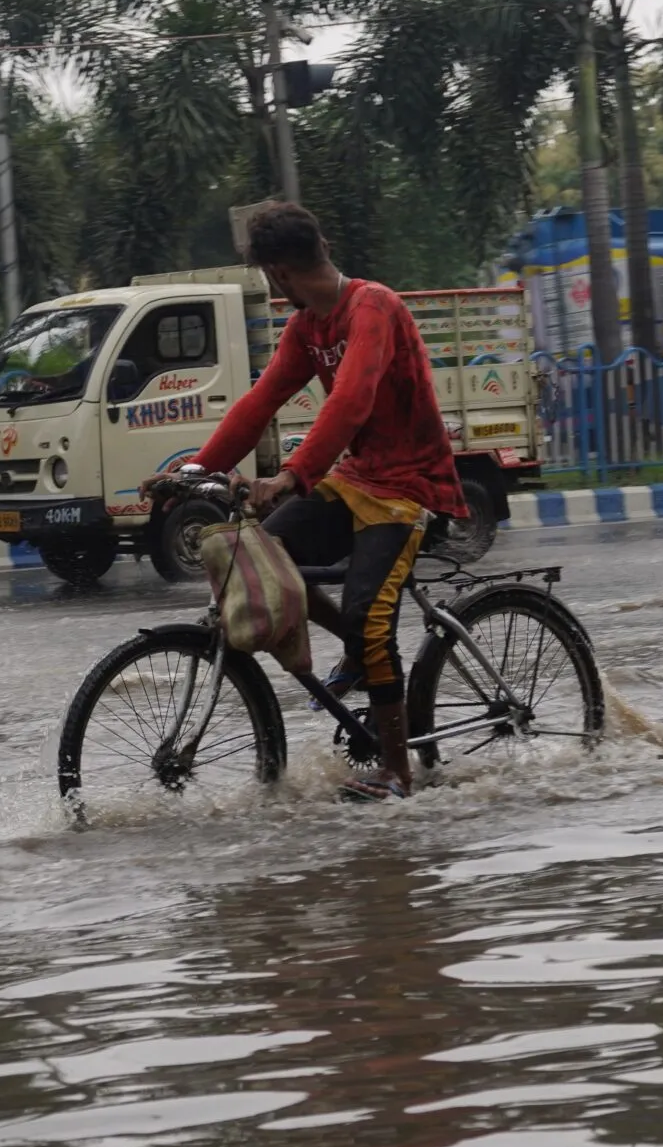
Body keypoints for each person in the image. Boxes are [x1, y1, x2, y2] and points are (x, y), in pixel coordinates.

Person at [142, 203, 465, 803]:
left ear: (278, 272)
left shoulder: (374, 306)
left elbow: (352, 402)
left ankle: (397, 770)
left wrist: (291, 477)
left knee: (372, 622)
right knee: (269, 552)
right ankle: (362, 652)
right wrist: (190, 472)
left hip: (410, 486)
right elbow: (258, 404)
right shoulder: (306, 328)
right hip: (358, 477)